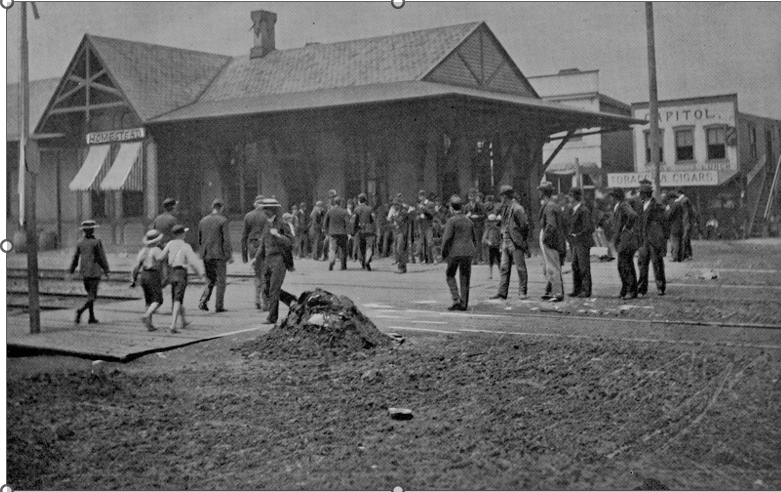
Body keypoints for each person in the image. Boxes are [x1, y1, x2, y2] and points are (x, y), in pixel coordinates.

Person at [255, 199, 297, 325]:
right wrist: (256, 258)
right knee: (266, 289)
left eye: (266, 209)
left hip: (280, 259)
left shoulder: (282, 224)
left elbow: (291, 242)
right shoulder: (266, 224)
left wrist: (278, 235)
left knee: (273, 288)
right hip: (268, 259)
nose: (264, 211)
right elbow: (263, 244)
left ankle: (272, 317)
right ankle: (291, 300)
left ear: (273, 210)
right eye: (264, 209)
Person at [161, 224, 205, 333]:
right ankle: (173, 325)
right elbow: (193, 263)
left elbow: (161, 257)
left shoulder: (170, 244)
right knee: (178, 299)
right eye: (184, 233)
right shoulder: (186, 246)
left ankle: (184, 321)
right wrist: (200, 274)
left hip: (172, 272)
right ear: (181, 234)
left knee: (176, 297)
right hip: (181, 273)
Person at [489, 185, 530, 300]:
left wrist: (521, 239)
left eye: (502, 196)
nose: (501, 199)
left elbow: (525, 226)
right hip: (506, 241)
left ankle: (522, 291)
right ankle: (502, 292)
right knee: (504, 268)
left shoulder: (517, 209)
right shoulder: (505, 208)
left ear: (506, 196)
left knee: (520, 267)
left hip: (516, 242)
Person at [67, 220, 110, 324]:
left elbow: (75, 258)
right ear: (92, 230)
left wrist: (71, 270)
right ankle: (80, 311)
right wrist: (106, 270)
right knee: (93, 296)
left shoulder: (80, 242)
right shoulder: (96, 242)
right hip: (95, 272)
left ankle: (91, 317)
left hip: (85, 273)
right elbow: (101, 257)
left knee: (90, 295)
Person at [441, 195, 477, 311]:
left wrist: (443, 253)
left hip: (455, 252)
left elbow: (447, 238)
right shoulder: (469, 221)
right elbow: (474, 238)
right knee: (465, 277)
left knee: (450, 275)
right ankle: (464, 303)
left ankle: (456, 299)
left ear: (452, 208)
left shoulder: (451, 221)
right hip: (468, 252)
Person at [198, 198, 233, 313]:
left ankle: (203, 300)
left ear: (212, 207)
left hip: (206, 254)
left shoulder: (203, 220)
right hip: (219, 255)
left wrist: (201, 253)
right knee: (221, 281)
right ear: (221, 208)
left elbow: (200, 239)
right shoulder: (223, 220)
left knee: (209, 280)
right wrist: (229, 255)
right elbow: (226, 240)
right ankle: (219, 305)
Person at [636, 182, 668, 297]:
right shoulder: (640, 206)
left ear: (645, 194)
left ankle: (660, 287)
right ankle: (641, 288)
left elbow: (663, 224)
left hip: (655, 239)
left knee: (657, 264)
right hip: (643, 239)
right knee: (642, 264)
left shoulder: (657, 207)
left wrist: (662, 239)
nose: (639, 195)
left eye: (641, 193)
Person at [131, 229, 166, 331]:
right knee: (158, 300)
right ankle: (146, 315)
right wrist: (164, 277)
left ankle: (149, 325)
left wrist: (134, 278)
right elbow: (161, 263)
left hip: (143, 275)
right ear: (157, 241)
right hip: (153, 275)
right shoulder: (157, 250)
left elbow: (136, 266)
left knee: (148, 301)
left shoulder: (143, 250)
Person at [608, 188, 639, 300]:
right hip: (622, 240)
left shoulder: (623, 205)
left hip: (626, 240)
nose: (610, 199)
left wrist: (627, 227)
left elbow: (633, 215)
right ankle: (626, 289)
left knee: (625, 265)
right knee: (623, 265)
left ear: (616, 197)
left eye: (612, 196)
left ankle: (631, 291)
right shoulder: (618, 206)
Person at [538, 182, 566, 302]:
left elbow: (551, 225)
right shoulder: (552, 205)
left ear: (543, 192)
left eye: (540, 191)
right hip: (554, 240)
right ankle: (551, 290)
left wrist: (545, 238)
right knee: (551, 266)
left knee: (552, 267)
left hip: (551, 241)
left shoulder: (549, 207)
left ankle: (557, 293)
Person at [242, 195, 269, 310]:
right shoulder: (268, 216)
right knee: (266, 274)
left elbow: (244, 236)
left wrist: (244, 254)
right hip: (265, 245)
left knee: (257, 273)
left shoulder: (248, 216)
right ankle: (265, 302)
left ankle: (257, 300)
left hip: (253, 245)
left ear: (255, 204)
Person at [567, 187, 594, 298]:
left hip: (583, 242)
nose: (569, 198)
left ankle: (586, 290)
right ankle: (577, 289)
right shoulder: (575, 210)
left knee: (583, 266)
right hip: (576, 242)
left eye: (570, 196)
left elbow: (589, 227)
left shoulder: (583, 210)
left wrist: (577, 234)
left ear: (575, 197)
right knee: (575, 265)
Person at [324, 197, 350, 271]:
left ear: (334, 202)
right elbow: (347, 223)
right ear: (340, 202)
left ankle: (332, 260)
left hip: (332, 233)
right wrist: (348, 233)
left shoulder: (329, 211)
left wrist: (326, 232)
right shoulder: (344, 212)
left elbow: (325, 223)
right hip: (342, 233)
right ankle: (343, 266)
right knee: (343, 249)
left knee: (332, 248)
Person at [353, 193, 376, 271]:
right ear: (366, 200)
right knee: (369, 246)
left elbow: (354, 221)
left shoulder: (356, 209)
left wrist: (354, 230)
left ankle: (363, 262)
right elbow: (373, 220)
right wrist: (375, 230)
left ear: (359, 200)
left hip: (361, 230)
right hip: (369, 230)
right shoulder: (370, 209)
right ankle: (367, 260)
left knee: (362, 246)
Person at [390, 196, 412, 273]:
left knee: (400, 249)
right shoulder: (396, 211)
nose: (394, 206)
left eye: (395, 204)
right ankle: (402, 266)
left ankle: (402, 267)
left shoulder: (403, 212)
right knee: (396, 250)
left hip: (402, 232)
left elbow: (399, 221)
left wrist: (393, 217)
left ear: (399, 205)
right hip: (396, 232)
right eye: (393, 204)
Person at [415, 190, 436, 264]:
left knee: (430, 242)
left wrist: (424, 208)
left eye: (422, 196)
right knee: (423, 243)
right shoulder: (419, 205)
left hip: (428, 225)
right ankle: (426, 259)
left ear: (424, 196)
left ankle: (435, 258)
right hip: (421, 225)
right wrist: (418, 217)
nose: (421, 197)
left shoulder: (430, 204)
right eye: (420, 196)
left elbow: (432, 214)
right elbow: (417, 214)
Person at [466, 189, 485, 264]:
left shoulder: (480, 205)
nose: (472, 198)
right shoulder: (466, 206)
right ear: (468, 197)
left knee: (478, 242)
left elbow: (484, 215)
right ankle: (473, 259)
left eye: (473, 196)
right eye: (470, 196)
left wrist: (478, 216)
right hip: (469, 226)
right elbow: (463, 216)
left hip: (478, 226)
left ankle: (479, 259)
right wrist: (466, 216)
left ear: (475, 196)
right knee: (471, 242)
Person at [665, 191, 685, 262]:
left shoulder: (675, 205)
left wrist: (667, 210)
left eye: (669, 199)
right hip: (680, 225)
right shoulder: (680, 204)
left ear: (672, 198)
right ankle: (680, 257)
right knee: (680, 242)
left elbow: (669, 215)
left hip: (674, 226)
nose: (669, 201)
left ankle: (675, 257)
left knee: (674, 242)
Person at [482, 214, 501, 279]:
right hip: (491, 247)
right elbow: (484, 238)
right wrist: (488, 242)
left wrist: (500, 244)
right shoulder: (488, 230)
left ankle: (501, 273)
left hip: (497, 246)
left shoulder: (498, 229)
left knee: (499, 260)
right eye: (491, 222)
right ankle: (490, 274)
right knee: (490, 261)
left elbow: (501, 238)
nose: (492, 223)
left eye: (493, 222)